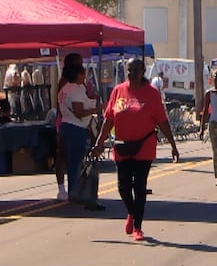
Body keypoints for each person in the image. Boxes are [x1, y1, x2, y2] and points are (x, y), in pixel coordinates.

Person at [92, 58, 179, 241]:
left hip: (144, 147)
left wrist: (173, 145)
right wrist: (99, 143)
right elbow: (109, 120)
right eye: (129, 70)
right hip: (122, 146)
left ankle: (138, 227)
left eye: (136, 70)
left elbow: (162, 121)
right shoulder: (118, 91)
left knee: (139, 187)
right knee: (123, 187)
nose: (132, 73)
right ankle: (131, 212)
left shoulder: (151, 93)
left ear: (143, 72)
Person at [53, 53, 98, 202]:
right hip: (74, 125)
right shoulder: (74, 88)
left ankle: (69, 190)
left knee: (68, 158)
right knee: (73, 161)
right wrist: (95, 109)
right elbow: (78, 111)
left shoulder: (65, 87)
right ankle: (73, 191)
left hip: (66, 123)